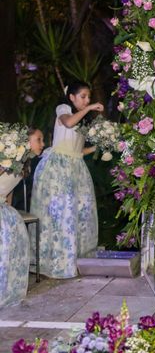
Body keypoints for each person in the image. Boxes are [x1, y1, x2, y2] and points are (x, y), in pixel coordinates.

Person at [30, 82, 103, 279]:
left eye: (88, 97)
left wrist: (100, 146)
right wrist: (89, 108)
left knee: (81, 213)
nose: (87, 100)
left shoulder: (83, 119)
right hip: (58, 169)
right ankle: (58, 262)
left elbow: (78, 150)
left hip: (76, 168)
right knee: (62, 215)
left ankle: (78, 260)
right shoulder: (63, 110)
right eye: (83, 97)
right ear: (71, 97)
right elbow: (68, 123)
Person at [0, 127, 46, 307]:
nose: (42, 144)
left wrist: (8, 209)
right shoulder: (8, 158)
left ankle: (9, 288)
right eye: (39, 140)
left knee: (16, 232)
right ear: (26, 142)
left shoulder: (23, 163)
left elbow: (8, 189)